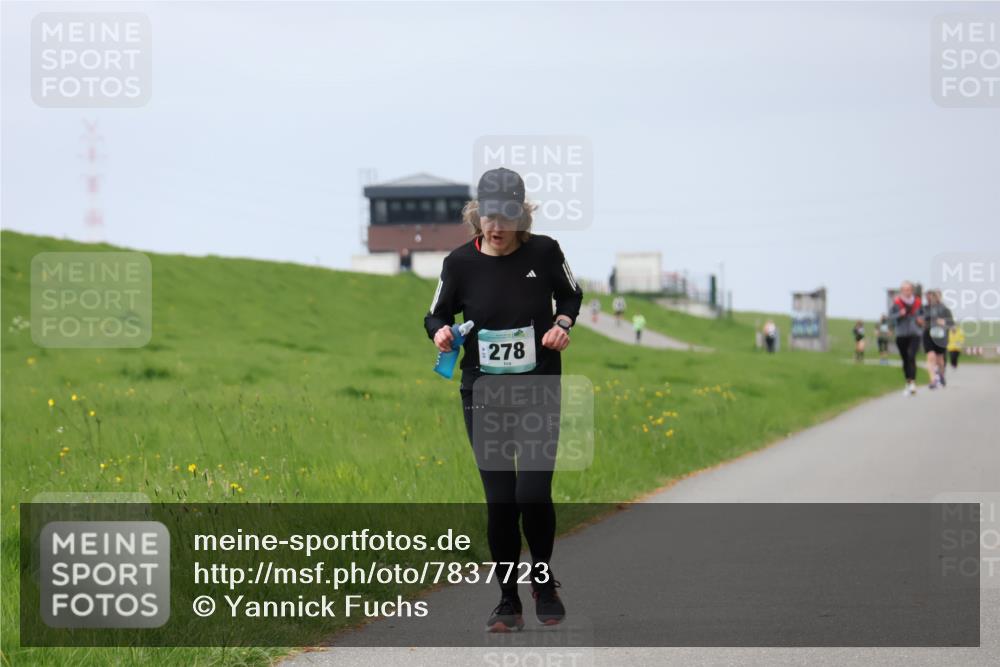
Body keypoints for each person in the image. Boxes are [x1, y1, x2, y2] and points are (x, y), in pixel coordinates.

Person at [424, 167, 582, 632]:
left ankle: (543, 580)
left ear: (522, 216)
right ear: (477, 215)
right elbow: (434, 315)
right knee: (500, 502)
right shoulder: (459, 263)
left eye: (507, 216)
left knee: (532, 494)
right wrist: (441, 333)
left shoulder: (546, 252)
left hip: (538, 390)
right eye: (489, 216)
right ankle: (508, 600)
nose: (497, 226)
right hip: (484, 395)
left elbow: (571, 296)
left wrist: (562, 325)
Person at [889, 281, 922, 396]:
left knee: (911, 355)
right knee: (905, 359)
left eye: (909, 289)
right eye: (904, 289)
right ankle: (908, 381)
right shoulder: (896, 303)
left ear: (912, 290)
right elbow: (891, 317)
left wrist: (921, 320)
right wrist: (900, 314)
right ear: (901, 291)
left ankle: (913, 382)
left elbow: (924, 314)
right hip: (901, 334)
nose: (907, 291)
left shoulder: (918, 302)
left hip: (915, 333)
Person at [922, 289, 954, 389]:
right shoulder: (925, 308)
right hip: (928, 334)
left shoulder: (945, 309)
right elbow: (919, 319)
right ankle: (933, 380)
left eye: (935, 296)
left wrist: (944, 322)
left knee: (940, 359)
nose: (931, 298)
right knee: (931, 356)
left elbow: (952, 325)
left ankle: (941, 375)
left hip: (941, 336)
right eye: (930, 296)